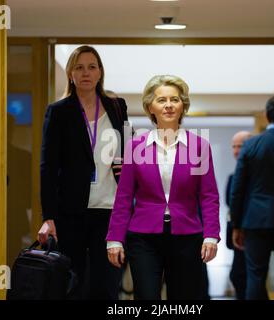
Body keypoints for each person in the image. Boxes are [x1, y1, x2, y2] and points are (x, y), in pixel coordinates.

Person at [106, 75, 220, 300]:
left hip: (187, 237)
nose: (168, 105)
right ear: (151, 107)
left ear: (183, 105)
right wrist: (115, 238)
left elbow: (208, 196)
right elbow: (124, 197)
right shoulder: (135, 147)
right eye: (161, 100)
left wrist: (211, 235)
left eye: (174, 99)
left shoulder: (199, 147)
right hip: (143, 238)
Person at [37, 45, 129, 300]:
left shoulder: (117, 107)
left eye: (92, 67)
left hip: (110, 209)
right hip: (71, 210)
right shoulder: (58, 111)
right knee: (73, 283)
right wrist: (49, 216)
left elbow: (128, 152)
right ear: (70, 74)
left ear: (100, 73)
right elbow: (48, 166)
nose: (86, 72)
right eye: (79, 67)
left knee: (107, 284)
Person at [230, 95, 274, 300]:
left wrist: (236, 224)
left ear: (266, 115)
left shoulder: (251, 145)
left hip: (255, 220)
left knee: (255, 275)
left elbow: (238, 188)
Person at [225, 130, 252, 300]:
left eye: (240, 146)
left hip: (249, 231)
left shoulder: (254, 175)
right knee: (238, 276)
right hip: (237, 232)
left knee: (242, 276)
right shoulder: (233, 176)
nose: (236, 151)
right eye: (233, 146)